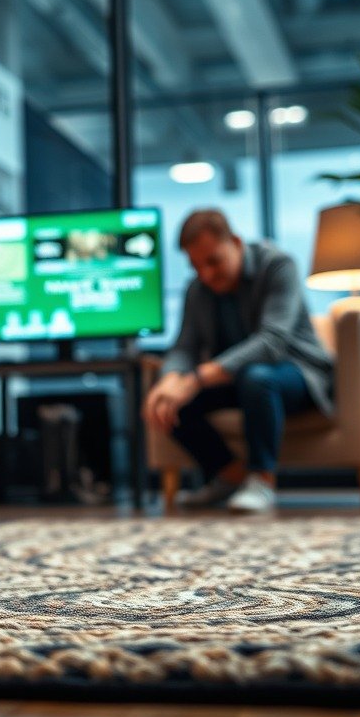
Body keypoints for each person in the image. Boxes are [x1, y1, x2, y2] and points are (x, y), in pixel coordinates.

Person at [142, 209, 334, 513]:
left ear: (235, 242)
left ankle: (262, 479)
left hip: (295, 373)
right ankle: (231, 476)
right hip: (235, 379)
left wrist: (195, 379)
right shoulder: (198, 289)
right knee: (169, 401)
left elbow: (272, 342)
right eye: (196, 266)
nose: (205, 274)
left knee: (256, 377)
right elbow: (184, 347)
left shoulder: (278, 265)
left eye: (213, 261)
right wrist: (168, 382)